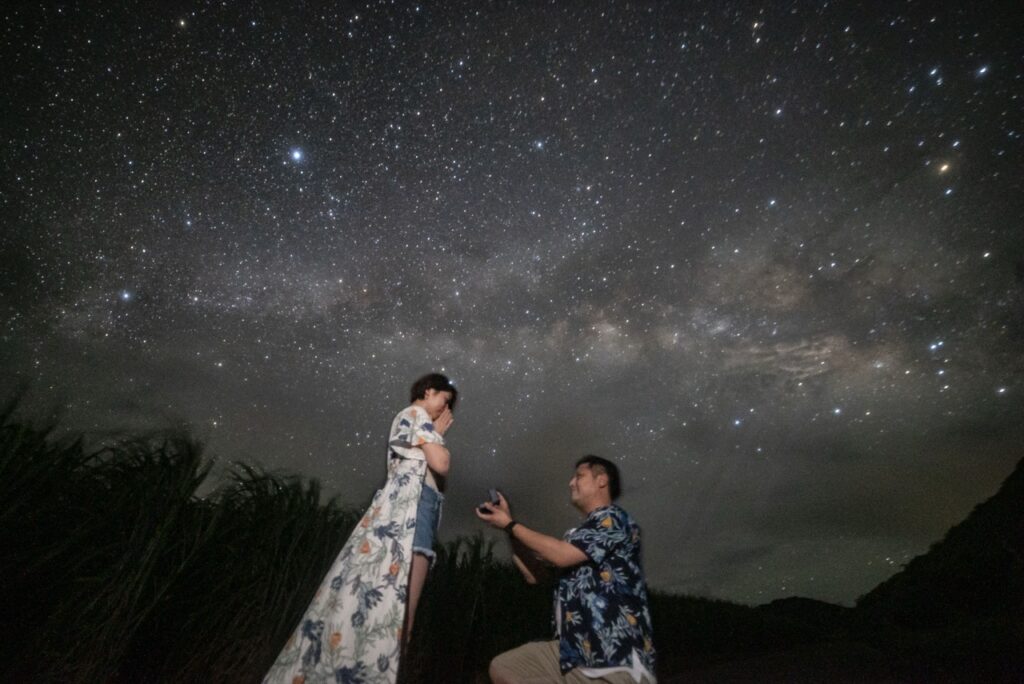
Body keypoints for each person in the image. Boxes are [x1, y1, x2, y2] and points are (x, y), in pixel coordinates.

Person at [263, 373, 457, 684]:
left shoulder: (413, 420)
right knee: (402, 621)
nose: (444, 411)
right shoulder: (416, 413)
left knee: (390, 615)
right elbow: (442, 463)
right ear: (428, 391)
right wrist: (437, 435)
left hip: (416, 511)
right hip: (412, 516)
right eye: (443, 402)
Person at [477, 456, 656, 684]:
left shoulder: (613, 519)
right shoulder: (579, 535)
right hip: (573, 652)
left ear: (601, 480)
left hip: (612, 656)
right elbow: (535, 575)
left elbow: (560, 555)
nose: (571, 483)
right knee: (505, 667)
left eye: (579, 476)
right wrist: (509, 528)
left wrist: (511, 525)